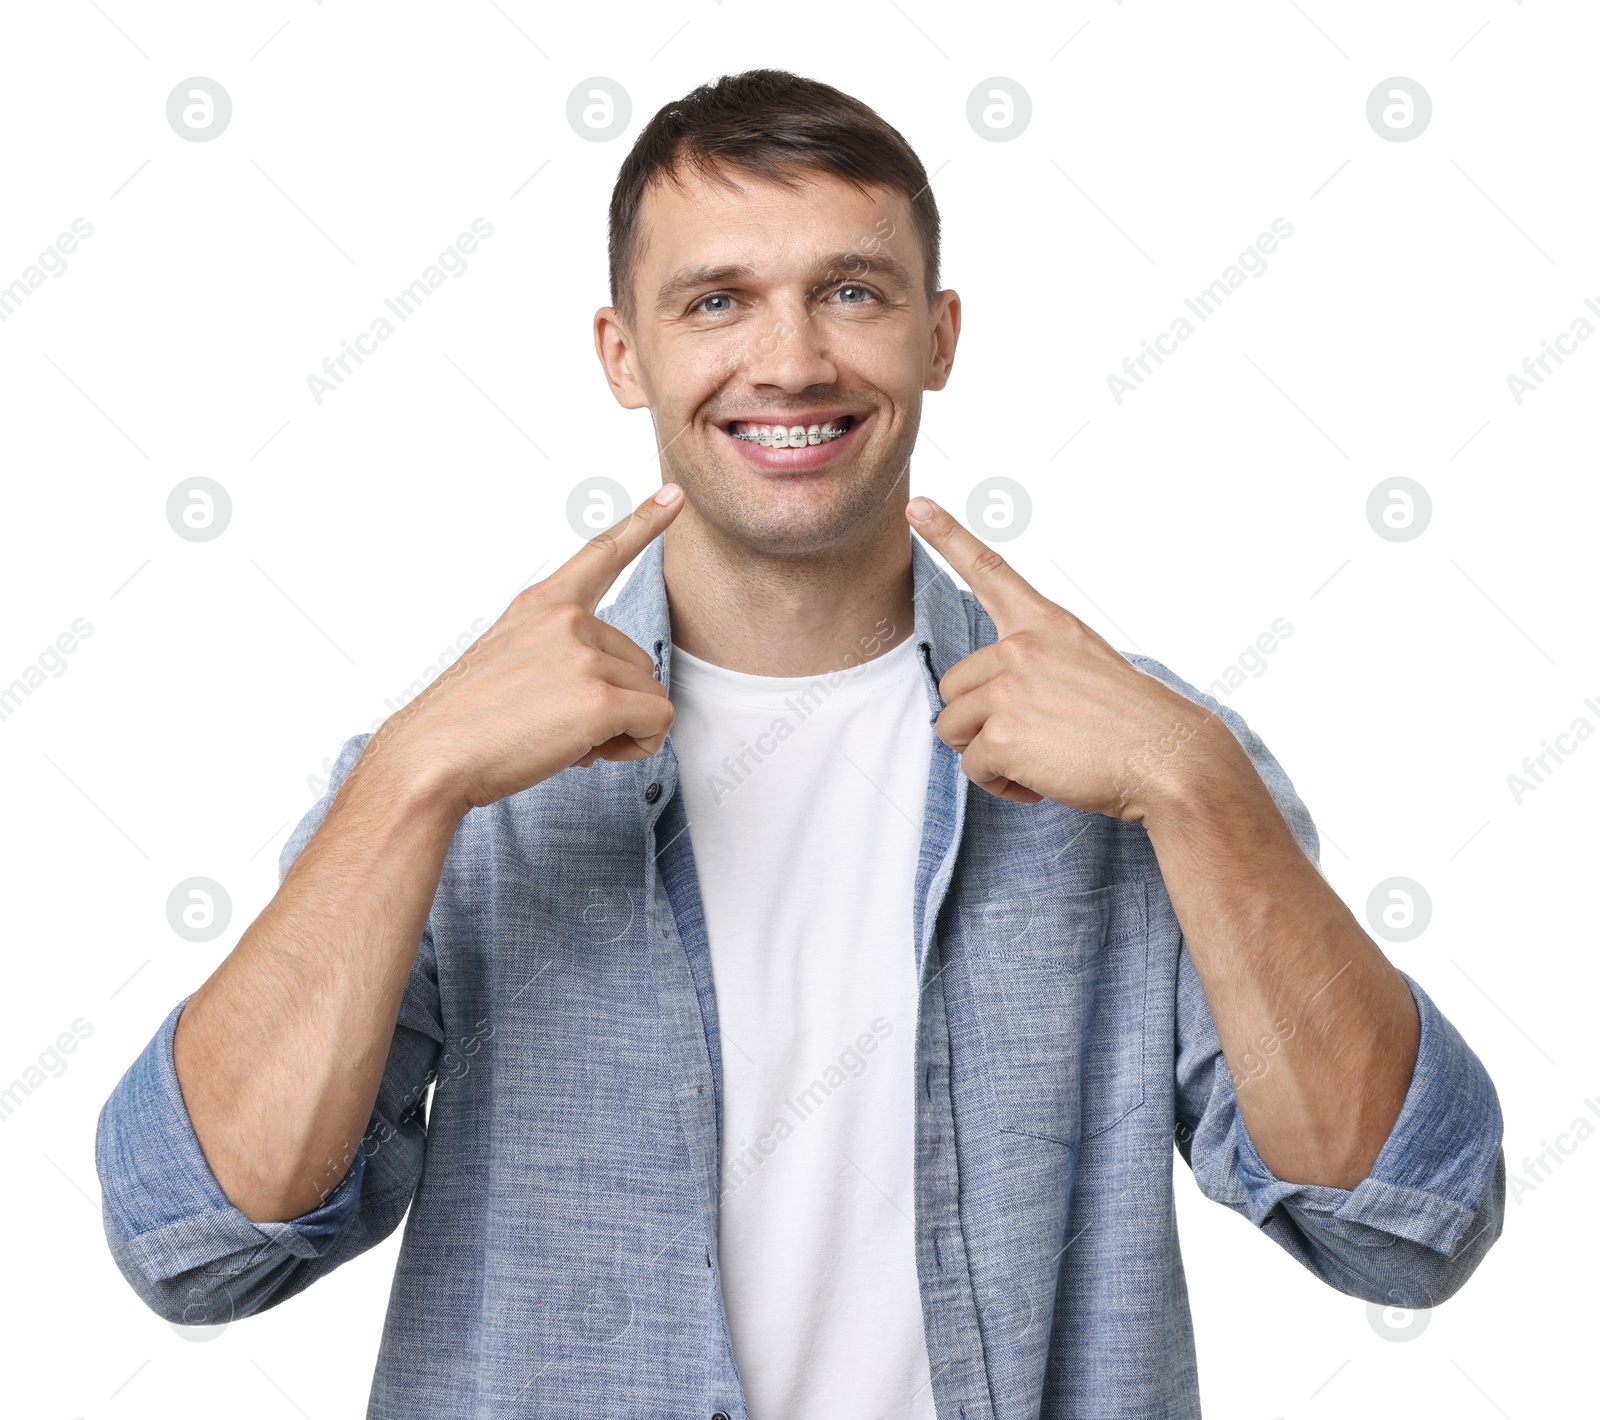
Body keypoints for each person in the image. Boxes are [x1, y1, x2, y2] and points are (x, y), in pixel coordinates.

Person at [96, 69, 1505, 1419]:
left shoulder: (1144, 763)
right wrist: (407, 784)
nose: (790, 359)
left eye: (852, 291)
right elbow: (197, 1243)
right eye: (718, 300)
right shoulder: (460, 778)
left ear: (938, 335)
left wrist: (1196, 786)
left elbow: (1403, 1225)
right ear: (622, 353)